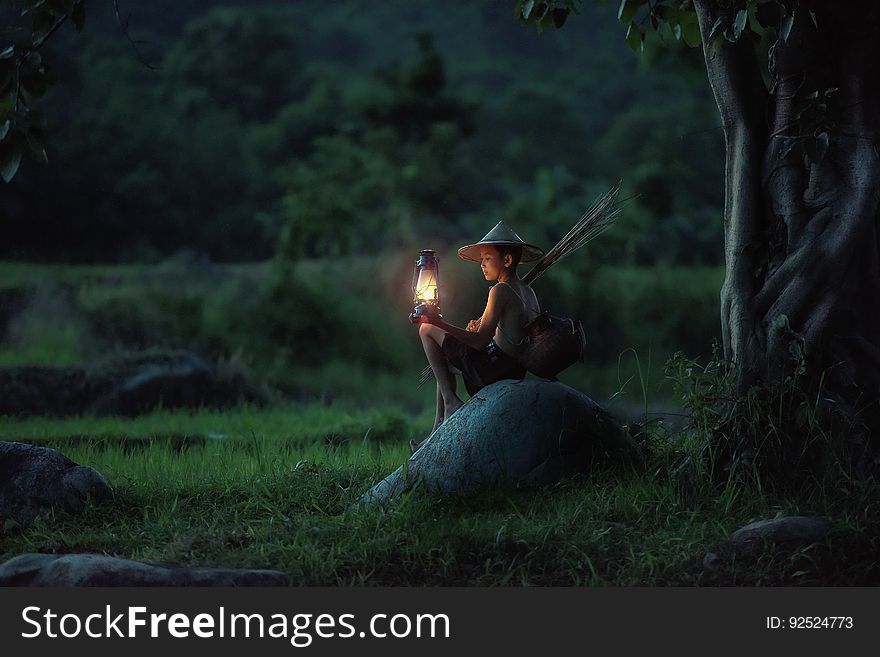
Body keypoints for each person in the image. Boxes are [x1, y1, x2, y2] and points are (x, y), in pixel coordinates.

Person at [412, 221, 544, 451]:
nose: (482, 265)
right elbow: (508, 332)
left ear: (507, 260)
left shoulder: (500, 290)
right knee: (442, 363)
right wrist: (479, 326)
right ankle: (436, 429)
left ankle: (452, 403)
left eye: (487, 259)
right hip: (514, 367)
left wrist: (439, 323)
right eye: (481, 259)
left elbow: (480, 341)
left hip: (494, 368)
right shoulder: (528, 291)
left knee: (425, 329)